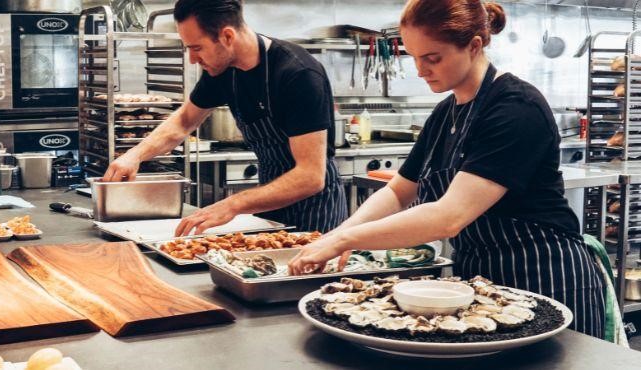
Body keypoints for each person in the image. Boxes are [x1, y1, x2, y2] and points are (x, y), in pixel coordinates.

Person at [288, 0, 605, 338]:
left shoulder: (516, 108)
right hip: (481, 284)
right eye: (414, 57)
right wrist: (339, 235)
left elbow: (448, 216)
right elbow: (399, 191)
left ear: (474, 46)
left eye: (432, 58)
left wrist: (347, 239)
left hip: (545, 276)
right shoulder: (445, 114)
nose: (421, 70)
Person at [102, 0, 347, 236]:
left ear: (227, 37)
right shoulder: (223, 70)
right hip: (268, 207)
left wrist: (232, 204)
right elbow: (184, 121)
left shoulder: (297, 74)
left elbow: (310, 177)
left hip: (315, 213)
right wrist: (135, 155)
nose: (192, 59)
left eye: (197, 48)